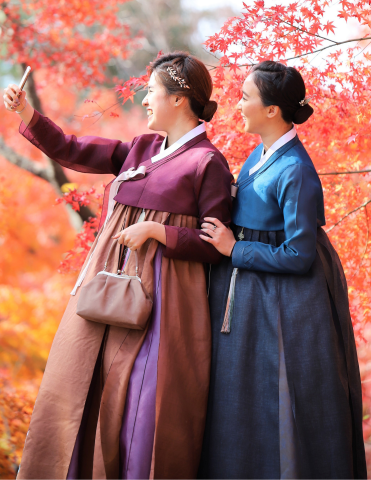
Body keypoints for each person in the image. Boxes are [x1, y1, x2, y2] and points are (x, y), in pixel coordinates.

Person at [3, 51, 233, 479]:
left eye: (152, 91)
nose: (144, 99)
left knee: (140, 405)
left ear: (180, 99)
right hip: (104, 286)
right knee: (76, 381)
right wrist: (27, 111)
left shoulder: (207, 164)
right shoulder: (143, 148)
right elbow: (73, 150)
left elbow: (215, 243)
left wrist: (158, 232)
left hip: (165, 298)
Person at [197, 61, 366, 479]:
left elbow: (298, 255)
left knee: (283, 396)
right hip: (254, 286)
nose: (238, 104)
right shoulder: (261, 152)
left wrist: (235, 249)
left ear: (272, 110)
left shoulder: (295, 169)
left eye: (246, 97)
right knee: (245, 396)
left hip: (286, 298)